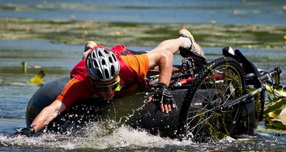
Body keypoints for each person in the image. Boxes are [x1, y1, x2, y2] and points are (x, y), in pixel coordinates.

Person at [17, 28, 204, 136]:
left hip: (120, 56)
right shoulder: (79, 84)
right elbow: (53, 109)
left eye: (113, 85)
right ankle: (90, 51)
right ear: (92, 82)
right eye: (102, 88)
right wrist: (30, 131)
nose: (109, 93)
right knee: (87, 60)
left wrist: (163, 88)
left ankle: (184, 40)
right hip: (89, 66)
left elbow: (164, 56)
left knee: (157, 51)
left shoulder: (129, 65)